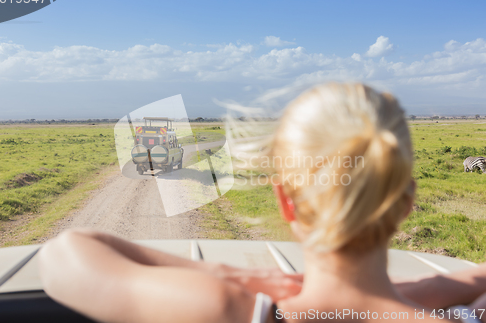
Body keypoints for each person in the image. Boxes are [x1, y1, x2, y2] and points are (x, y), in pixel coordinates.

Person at [39, 83, 486, 323]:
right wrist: (420, 292)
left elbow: (65, 254)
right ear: (406, 201)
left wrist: (226, 273)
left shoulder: (231, 309)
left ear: (285, 200)